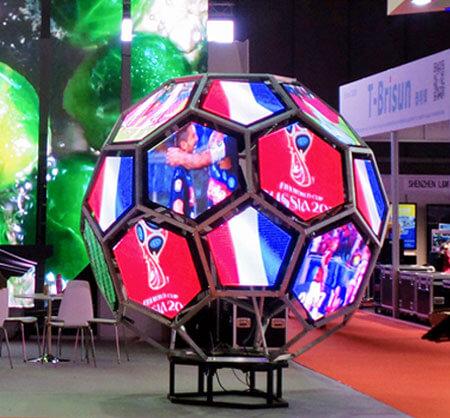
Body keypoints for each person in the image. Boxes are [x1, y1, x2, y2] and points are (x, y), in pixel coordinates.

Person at [166, 123, 238, 216]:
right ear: (183, 144)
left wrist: (181, 157)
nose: (197, 139)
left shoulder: (228, 140)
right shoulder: (180, 172)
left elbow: (202, 160)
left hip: (233, 207)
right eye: (193, 136)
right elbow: (177, 206)